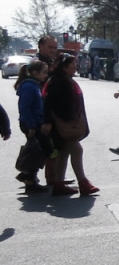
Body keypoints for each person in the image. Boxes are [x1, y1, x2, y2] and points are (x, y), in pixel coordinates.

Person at [43, 53, 98, 197]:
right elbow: (48, 104)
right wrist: (48, 122)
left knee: (63, 153)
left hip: (66, 123)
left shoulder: (65, 80)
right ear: (64, 67)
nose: (76, 66)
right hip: (61, 125)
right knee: (77, 150)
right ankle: (83, 183)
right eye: (73, 64)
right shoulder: (57, 82)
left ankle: (59, 184)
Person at [15, 61, 51, 193]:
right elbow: (25, 108)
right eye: (44, 73)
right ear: (35, 72)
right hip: (32, 124)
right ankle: (28, 179)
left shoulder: (34, 85)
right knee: (38, 151)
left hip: (36, 122)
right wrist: (31, 126)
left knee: (40, 150)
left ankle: (28, 177)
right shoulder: (29, 86)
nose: (46, 75)